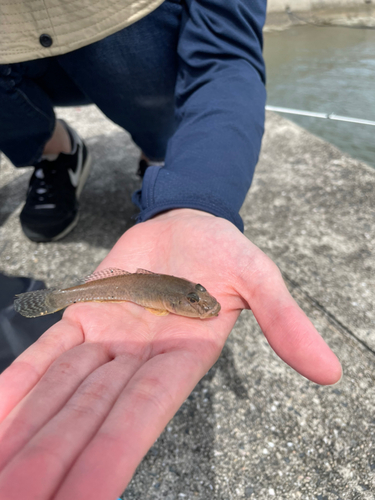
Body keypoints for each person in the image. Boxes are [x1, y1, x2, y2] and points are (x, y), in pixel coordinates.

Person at [0, 0, 342, 498]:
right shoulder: (175, 296)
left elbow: (225, 56)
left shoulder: (183, 294)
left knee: (152, 74)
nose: (199, 306)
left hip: (136, 47)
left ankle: (162, 158)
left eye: (196, 301)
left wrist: (194, 199)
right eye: (195, 301)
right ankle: (55, 150)